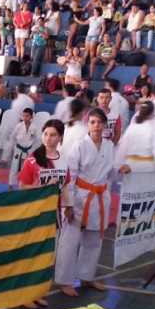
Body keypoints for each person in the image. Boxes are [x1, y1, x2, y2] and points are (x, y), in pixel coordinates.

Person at [56, 108, 115, 297]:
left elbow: (110, 173)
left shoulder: (109, 146)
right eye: (92, 122)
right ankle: (64, 280)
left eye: (100, 122)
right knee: (70, 242)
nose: (96, 126)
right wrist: (68, 205)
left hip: (99, 197)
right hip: (80, 198)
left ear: (105, 125)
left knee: (94, 241)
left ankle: (86, 276)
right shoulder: (79, 146)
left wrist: (123, 169)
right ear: (87, 124)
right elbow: (69, 177)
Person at [18, 118, 70, 307]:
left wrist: (69, 207)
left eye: (53, 135)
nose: (48, 138)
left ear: (61, 137)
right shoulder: (33, 159)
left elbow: (65, 187)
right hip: (35, 213)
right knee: (31, 254)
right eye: (46, 134)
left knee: (47, 255)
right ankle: (23, 294)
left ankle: (37, 291)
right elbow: (22, 187)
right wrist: (43, 187)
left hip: (53, 214)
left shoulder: (64, 159)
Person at [113, 101, 155, 173]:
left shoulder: (131, 128)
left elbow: (123, 149)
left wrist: (118, 165)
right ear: (153, 113)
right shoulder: (154, 130)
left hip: (130, 166)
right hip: (147, 168)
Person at [4, 108, 41, 190]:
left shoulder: (34, 127)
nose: (25, 118)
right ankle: (11, 185)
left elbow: (36, 140)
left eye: (27, 116)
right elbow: (13, 137)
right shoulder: (19, 126)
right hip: (18, 150)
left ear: (31, 117)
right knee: (14, 167)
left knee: (27, 168)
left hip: (29, 151)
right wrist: (12, 148)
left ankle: (25, 186)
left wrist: (34, 151)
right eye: (24, 116)